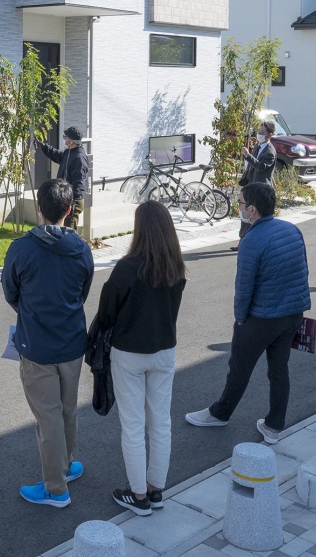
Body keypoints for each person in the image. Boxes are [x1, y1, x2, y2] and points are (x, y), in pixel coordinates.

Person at [186, 182, 310, 444]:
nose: (238, 207)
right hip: (293, 313)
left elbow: (244, 287)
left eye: (241, 203)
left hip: (261, 317)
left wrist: (240, 319)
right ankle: (274, 426)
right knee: (279, 370)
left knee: (239, 368)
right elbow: (303, 271)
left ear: (252, 209)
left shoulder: (251, 240)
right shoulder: (292, 229)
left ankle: (220, 414)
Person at [2, 178, 95, 508]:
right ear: (69, 210)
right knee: (67, 409)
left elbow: (11, 293)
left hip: (37, 346)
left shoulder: (21, 249)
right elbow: (82, 292)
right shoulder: (81, 249)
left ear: (39, 208)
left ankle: (55, 488)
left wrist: (31, 312)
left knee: (49, 417)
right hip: (72, 342)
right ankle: (64, 467)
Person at [96, 200, 186, 516]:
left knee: (133, 426)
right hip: (165, 350)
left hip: (129, 353)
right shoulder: (176, 267)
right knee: (161, 422)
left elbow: (107, 312)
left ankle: (137, 495)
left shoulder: (127, 268)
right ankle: (155, 489)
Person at [230, 120, 276, 251]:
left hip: (261, 189)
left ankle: (258, 244)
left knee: (257, 217)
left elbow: (261, 167)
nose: (259, 134)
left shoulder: (270, 151)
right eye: (258, 131)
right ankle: (243, 242)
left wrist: (247, 155)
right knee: (246, 214)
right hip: (251, 186)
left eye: (262, 132)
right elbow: (251, 165)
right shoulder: (258, 146)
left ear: (269, 135)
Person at [36, 126, 88, 231]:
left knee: (68, 232)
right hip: (65, 198)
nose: (64, 138)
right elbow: (57, 155)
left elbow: (79, 183)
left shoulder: (79, 159)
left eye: (66, 136)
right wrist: (43, 146)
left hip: (72, 200)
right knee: (60, 230)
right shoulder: (69, 152)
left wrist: (73, 203)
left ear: (72, 141)